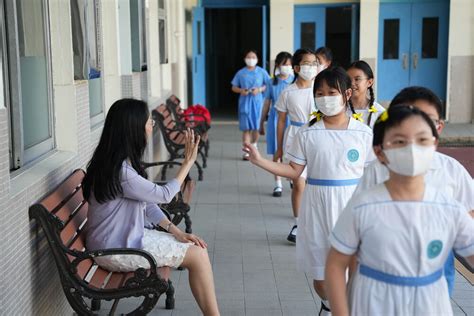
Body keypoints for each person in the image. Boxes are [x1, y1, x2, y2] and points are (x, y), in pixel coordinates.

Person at [244, 67, 374, 315]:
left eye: (332, 92)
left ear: (346, 94)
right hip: (317, 207)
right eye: (320, 93)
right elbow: (294, 170)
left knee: (355, 269)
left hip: (352, 208)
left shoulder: (363, 133)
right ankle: (329, 305)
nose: (325, 97)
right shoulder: (308, 132)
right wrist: (260, 161)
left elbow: (373, 176)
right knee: (321, 274)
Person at [325, 104, 474, 316]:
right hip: (374, 302)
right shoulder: (363, 206)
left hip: (431, 303)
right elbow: (335, 264)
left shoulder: (449, 209)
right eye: (400, 142)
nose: (412, 149)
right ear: (379, 152)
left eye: (422, 140)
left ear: (434, 145)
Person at [82, 99, 220, 316]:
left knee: (197, 251)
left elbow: (148, 205)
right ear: (133, 129)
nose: (151, 126)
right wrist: (187, 164)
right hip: (116, 249)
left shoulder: (116, 163)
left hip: (118, 241)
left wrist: (176, 231)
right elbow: (165, 195)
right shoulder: (123, 172)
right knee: (198, 255)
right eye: (148, 122)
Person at [355, 86, 474, 296]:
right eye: (408, 116)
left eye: (427, 120)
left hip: (436, 269)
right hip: (383, 270)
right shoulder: (377, 170)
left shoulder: (451, 170)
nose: (417, 126)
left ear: (439, 128)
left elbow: (469, 215)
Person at [273, 48, 317, 243]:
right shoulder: (287, 92)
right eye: (307, 64)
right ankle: (298, 223)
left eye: (314, 63)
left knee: (313, 183)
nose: (311, 68)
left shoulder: (320, 89)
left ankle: (314, 222)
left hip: (316, 136)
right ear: (297, 67)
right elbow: (281, 121)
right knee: (298, 182)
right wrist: (279, 147)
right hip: (295, 137)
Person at [259, 51, 293, 197]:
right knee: (276, 151)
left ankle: (292, 176)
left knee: (292, 151)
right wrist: (261, 122)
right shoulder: (271, 82)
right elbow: (266, 103)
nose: (287, 67)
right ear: (278, 65)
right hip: (275, 120)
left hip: (291, 120)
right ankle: (277, 184)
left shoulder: (294, 81)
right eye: (284, 64)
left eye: (290, 64)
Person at [231, 50, 271, 160]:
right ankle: (247, 151)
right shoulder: (241, 73)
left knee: (256, 127)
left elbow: (268, 84)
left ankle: (254, 145)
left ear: (257, 59)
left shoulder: (261, 72)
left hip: (258, 102)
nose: (251, 59)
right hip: (245, 102)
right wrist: (240, 90)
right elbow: (233, 87)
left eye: (253, 57)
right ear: (245, 59)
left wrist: (259, 89)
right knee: (246, 128)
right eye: (249, 57)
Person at [347, 60, 385, 128]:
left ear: (369, 82)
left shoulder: (379, 113)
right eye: (348, 79)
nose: (352, 83)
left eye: (357, 79)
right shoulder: (340, 110)